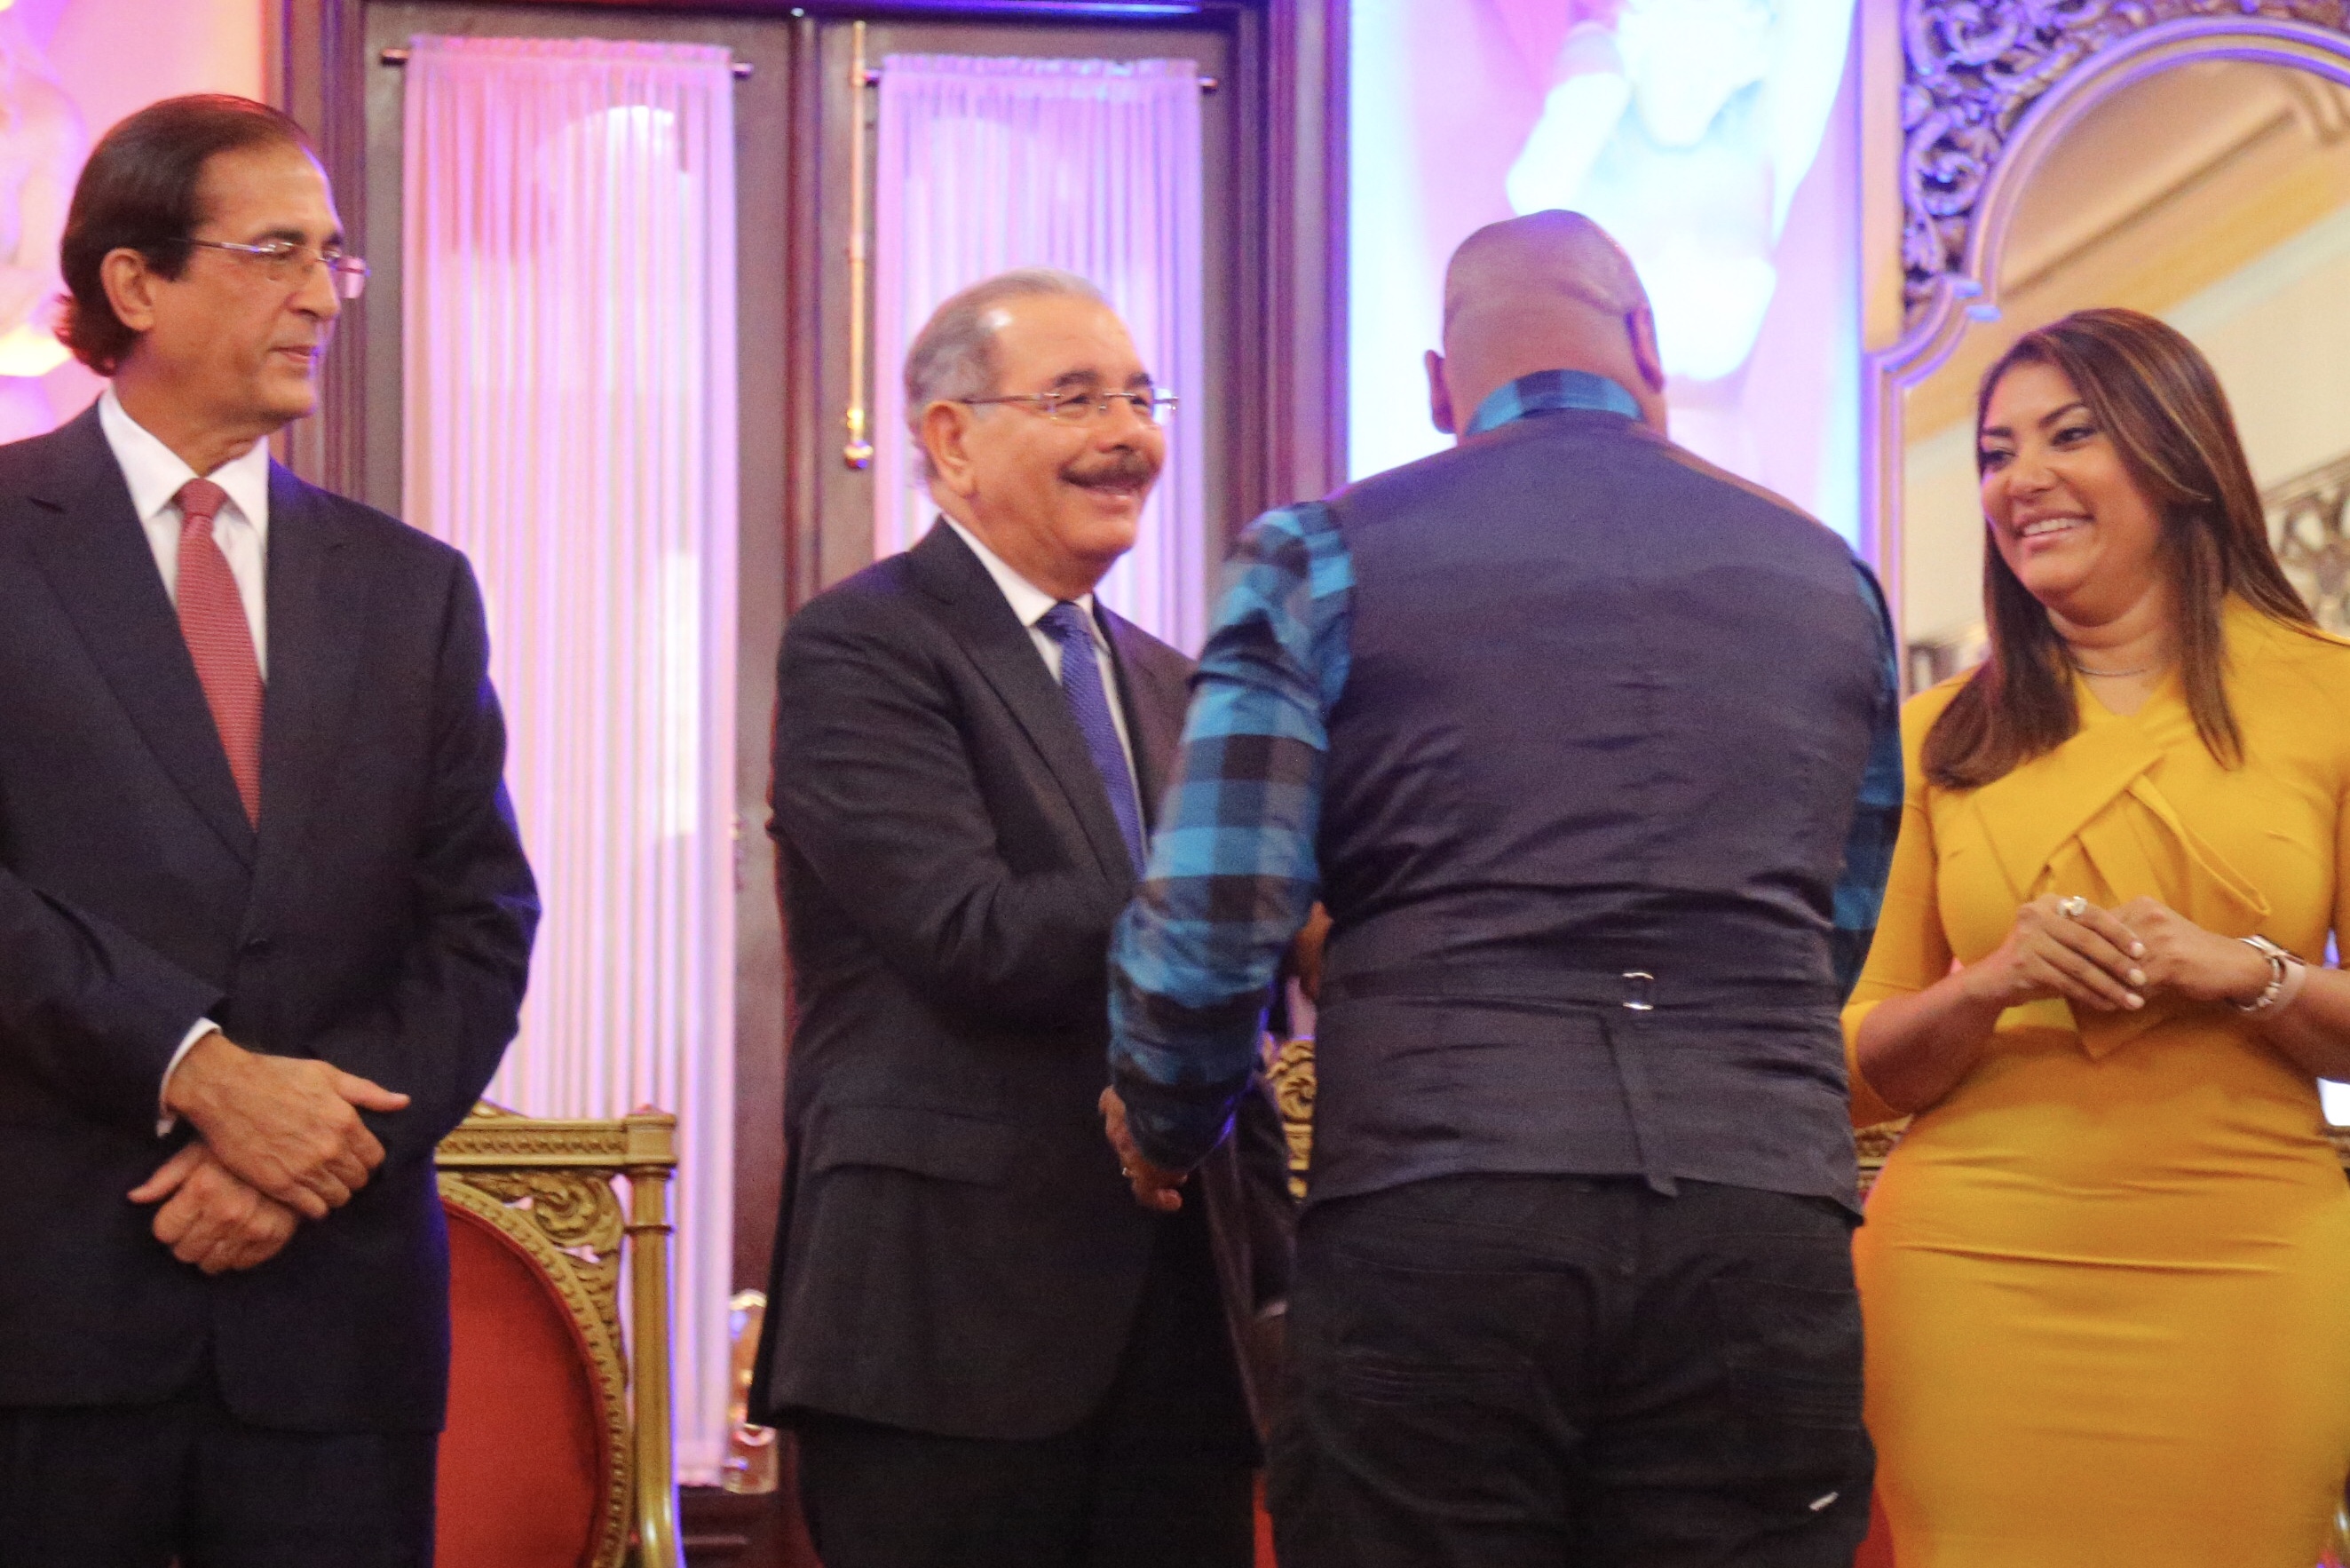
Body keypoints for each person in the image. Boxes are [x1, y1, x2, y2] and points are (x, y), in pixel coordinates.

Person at [1104, 208, 1903, 1566]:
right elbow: (1838, 915)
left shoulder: (1321, 554)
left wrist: (1168, 1117)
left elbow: (1221, 908)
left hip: (1444, 1205)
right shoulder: (1830, 578)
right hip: (1755, 1211)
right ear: (1646, 341)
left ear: (1438, 387)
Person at [0, 95, 536, 1564]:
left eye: (333, 257)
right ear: (135, 282)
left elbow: (479, 921)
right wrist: (197, 1069)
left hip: (334, 1330)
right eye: (275, 251)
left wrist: (308, 1151)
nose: (323, 295)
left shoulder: (412, 587)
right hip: (48, 1311)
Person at [749, 267, 1293, 1568]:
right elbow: (970, 931)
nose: (1128, 435)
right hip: (947, 1327)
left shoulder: (1178, 684)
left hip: (1186, 1331)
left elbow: (1246, 990)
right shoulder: (862, 648)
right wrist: (1230, 885)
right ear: (951, 439)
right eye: (1076, 399)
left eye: (1140, 398)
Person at [1845, 307, 2350, 1566]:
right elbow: (1848, 1067)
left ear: (2177, 457)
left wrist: (2252, 975)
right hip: (1970, 1265)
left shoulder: (2332, 696)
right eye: (1996, 452)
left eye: (2070, 435)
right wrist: (1985, 987)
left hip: (2253, 1258)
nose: (2022, 478)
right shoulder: (1931, 738)